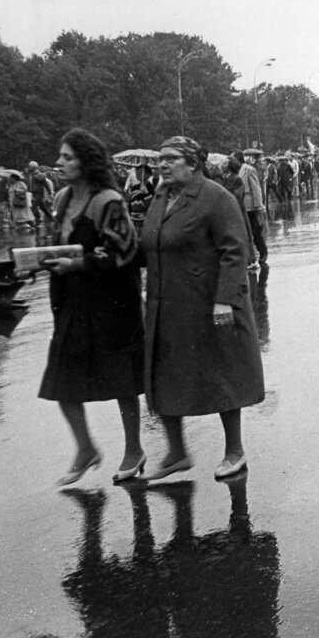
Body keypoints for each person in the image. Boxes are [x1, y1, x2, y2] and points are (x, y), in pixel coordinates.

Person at [140, 136, 265, 481]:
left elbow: (235, 250)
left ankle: (234, 451)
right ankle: (177, 452)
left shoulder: (215, 197)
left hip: (207, 303)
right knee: (164, 375)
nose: (161, 164)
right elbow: (151, 244)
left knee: (222, 372)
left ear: (193, 163)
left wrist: (225, 298)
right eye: (160, 158)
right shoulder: (161, 196)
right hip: (167, 304)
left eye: (170, 158)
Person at [40, 129, 146, 486]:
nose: (59, 162)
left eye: (67, 157)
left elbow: (125, 251)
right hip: (73, 304)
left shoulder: (107, 201)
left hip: (111, 304)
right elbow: (61, 246)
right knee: (61, 380)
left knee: (122, 380)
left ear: (86, 161)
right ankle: (85, 448)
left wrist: (79, 263)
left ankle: (134, 449)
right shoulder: (62, 199)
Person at [236, 152, 268, 266]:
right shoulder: (233, 171)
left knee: (255, 232)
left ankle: (263, 252)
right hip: (240, 206)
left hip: (250, 206)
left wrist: (259, 205)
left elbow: (255, 187)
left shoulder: (248, 170)